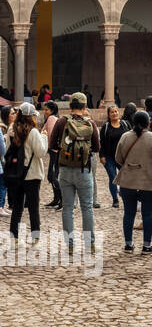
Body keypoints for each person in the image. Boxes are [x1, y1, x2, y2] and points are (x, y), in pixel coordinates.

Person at [50, 92, 100, 251]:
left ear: (70, 106)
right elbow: (97, 147)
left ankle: (70, 245)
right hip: (84, 169)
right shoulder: (90, 123)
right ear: (85, 106)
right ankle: (90, 244)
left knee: (68, 208)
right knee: (87, 208)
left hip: (65, 170)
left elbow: (52, 144)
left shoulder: (61, 122)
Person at [114, 110, 152, 254]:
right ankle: (146, 246)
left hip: (128, 181)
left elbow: (118, 158)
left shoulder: (125, 137)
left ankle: (128, 244)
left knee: (128, 214)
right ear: (148, 123)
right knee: (148, 214)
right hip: (148, 181)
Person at [6, 102, 47, 244]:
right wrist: (45, 137)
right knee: (33, 208)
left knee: (17, 207)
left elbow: (7, 152)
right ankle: (35, 237)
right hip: (32, 174)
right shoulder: (34, 132)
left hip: (16, 174)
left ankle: (14, 237)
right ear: (32, 117)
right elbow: (41, 153)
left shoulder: (11, 130)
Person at [99, 105, 129, 209]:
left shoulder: (125, 124)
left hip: (123, 157)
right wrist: (101, 156)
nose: (114, 113)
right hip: (109, 157)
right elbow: (101, 143)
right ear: (109, 114)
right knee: (113, 177)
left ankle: (125, 196)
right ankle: (115, 199)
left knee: (125, 178)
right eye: (112, 112)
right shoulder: (106, 127)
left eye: (116, 111)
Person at [41, 100, 61, 210]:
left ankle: (61, 199)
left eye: (46, 110)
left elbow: (52, 135)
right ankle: (56, 199)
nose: (45, 112)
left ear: (52, 110)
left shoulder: (51, 118)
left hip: (55, 151)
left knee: (53, 176)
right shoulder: (52, 118)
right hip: (54, 151)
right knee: (52, 175)